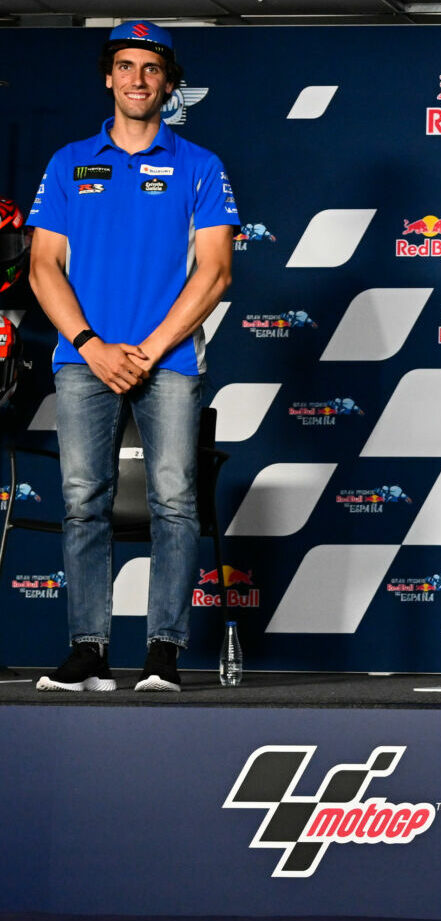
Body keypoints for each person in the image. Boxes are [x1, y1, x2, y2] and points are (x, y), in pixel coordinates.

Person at [26, 21, 238, 692]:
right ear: (107, 76)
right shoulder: (68, 163)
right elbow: (42, 267)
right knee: (83, 501)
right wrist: (93, 346)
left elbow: (215, 272)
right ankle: (88, 650)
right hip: (83, 361)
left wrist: (144, 351)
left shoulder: (199, 165)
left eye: (150, 67)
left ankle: (163, 654)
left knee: (176, 502)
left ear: (168, 81)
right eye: (125, 65)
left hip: (167, 363)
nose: (137, 78)